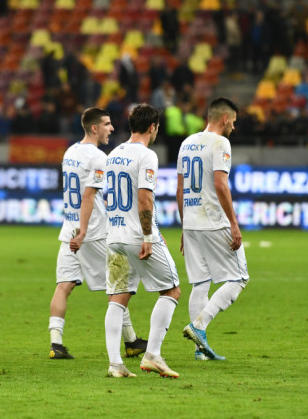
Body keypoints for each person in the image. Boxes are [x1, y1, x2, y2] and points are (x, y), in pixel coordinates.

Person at [49, 107, 147, 360]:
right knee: (118, 287)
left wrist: (76, 231)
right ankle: (131, 341)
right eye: (107, 124)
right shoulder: (98, 158)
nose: (111, 128)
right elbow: (88, 195)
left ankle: (55, 343)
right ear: (94, 128)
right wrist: (83, 232)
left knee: (64, 285)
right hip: (92, 232)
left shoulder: (70, 152)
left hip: (68, 229)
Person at [104, 104, 181, 378]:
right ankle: (152, 355)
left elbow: (107, 197)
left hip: (113, 235)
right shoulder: (147, 155)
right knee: (171, 290)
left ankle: (115, 364)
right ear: (153, 127)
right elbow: (145, 197)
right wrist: (149, 235)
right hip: (138, 236)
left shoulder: (113, 155)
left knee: (118, 299)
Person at [178, 98, 249, 361]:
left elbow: (179, 189)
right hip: (213, 220)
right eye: (234, 122)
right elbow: (220, 184)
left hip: (192, 222)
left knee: (200, 282)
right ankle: (199, 325)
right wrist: (233, 222)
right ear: (225, 119)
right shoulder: (221, 143)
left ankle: (200, 350)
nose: (234, 128)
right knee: (239, 278)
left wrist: (185, 226)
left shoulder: (186, 144)